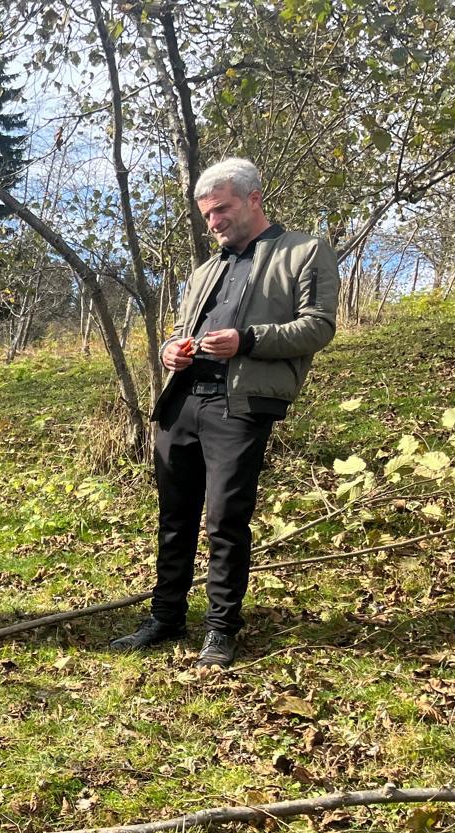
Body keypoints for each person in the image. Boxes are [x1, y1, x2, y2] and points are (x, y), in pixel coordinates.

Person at [111, 158, 337, 667]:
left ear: (255, 199)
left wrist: (246, 340)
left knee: (225, 521)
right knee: (174, 516)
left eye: (222, 210)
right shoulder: (205, 270)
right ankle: (166, 618)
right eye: (206, 215)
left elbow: (320, 327)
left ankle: (221, 629)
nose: (213, 223)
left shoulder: (303, 251)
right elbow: (178, 326)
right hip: (181, 401)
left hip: (239, 405)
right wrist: (172, 350)